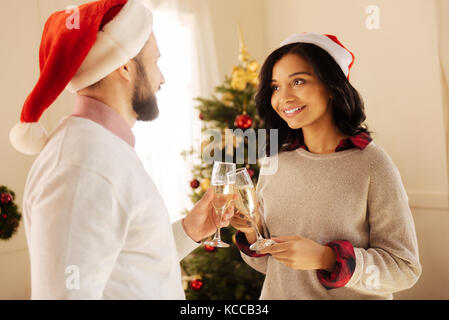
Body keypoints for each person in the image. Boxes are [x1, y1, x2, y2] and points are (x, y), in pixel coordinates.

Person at [9, 0, 234, 299]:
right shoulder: (82, 166)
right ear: (125, 67)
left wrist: (189, 230)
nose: (162, 78)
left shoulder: (100, 147)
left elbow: (125, 264)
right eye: (155, 62)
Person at [231, 32, 421, 299]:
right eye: (275, 87)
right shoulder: (276, 161)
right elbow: (270, 265)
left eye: (298, 81)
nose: (283, 97)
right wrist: (251, 232)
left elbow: (404, 268)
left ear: (332, 87)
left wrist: (328, 258)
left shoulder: (372, 164)